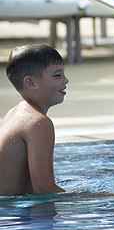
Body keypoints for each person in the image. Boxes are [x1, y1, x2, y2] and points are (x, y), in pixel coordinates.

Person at [0, 44, 68, 195]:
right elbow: (44, 191)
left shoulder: (11, 116)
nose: (66, 80)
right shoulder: (37, 123)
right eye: (57, 75)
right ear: (31, 83)